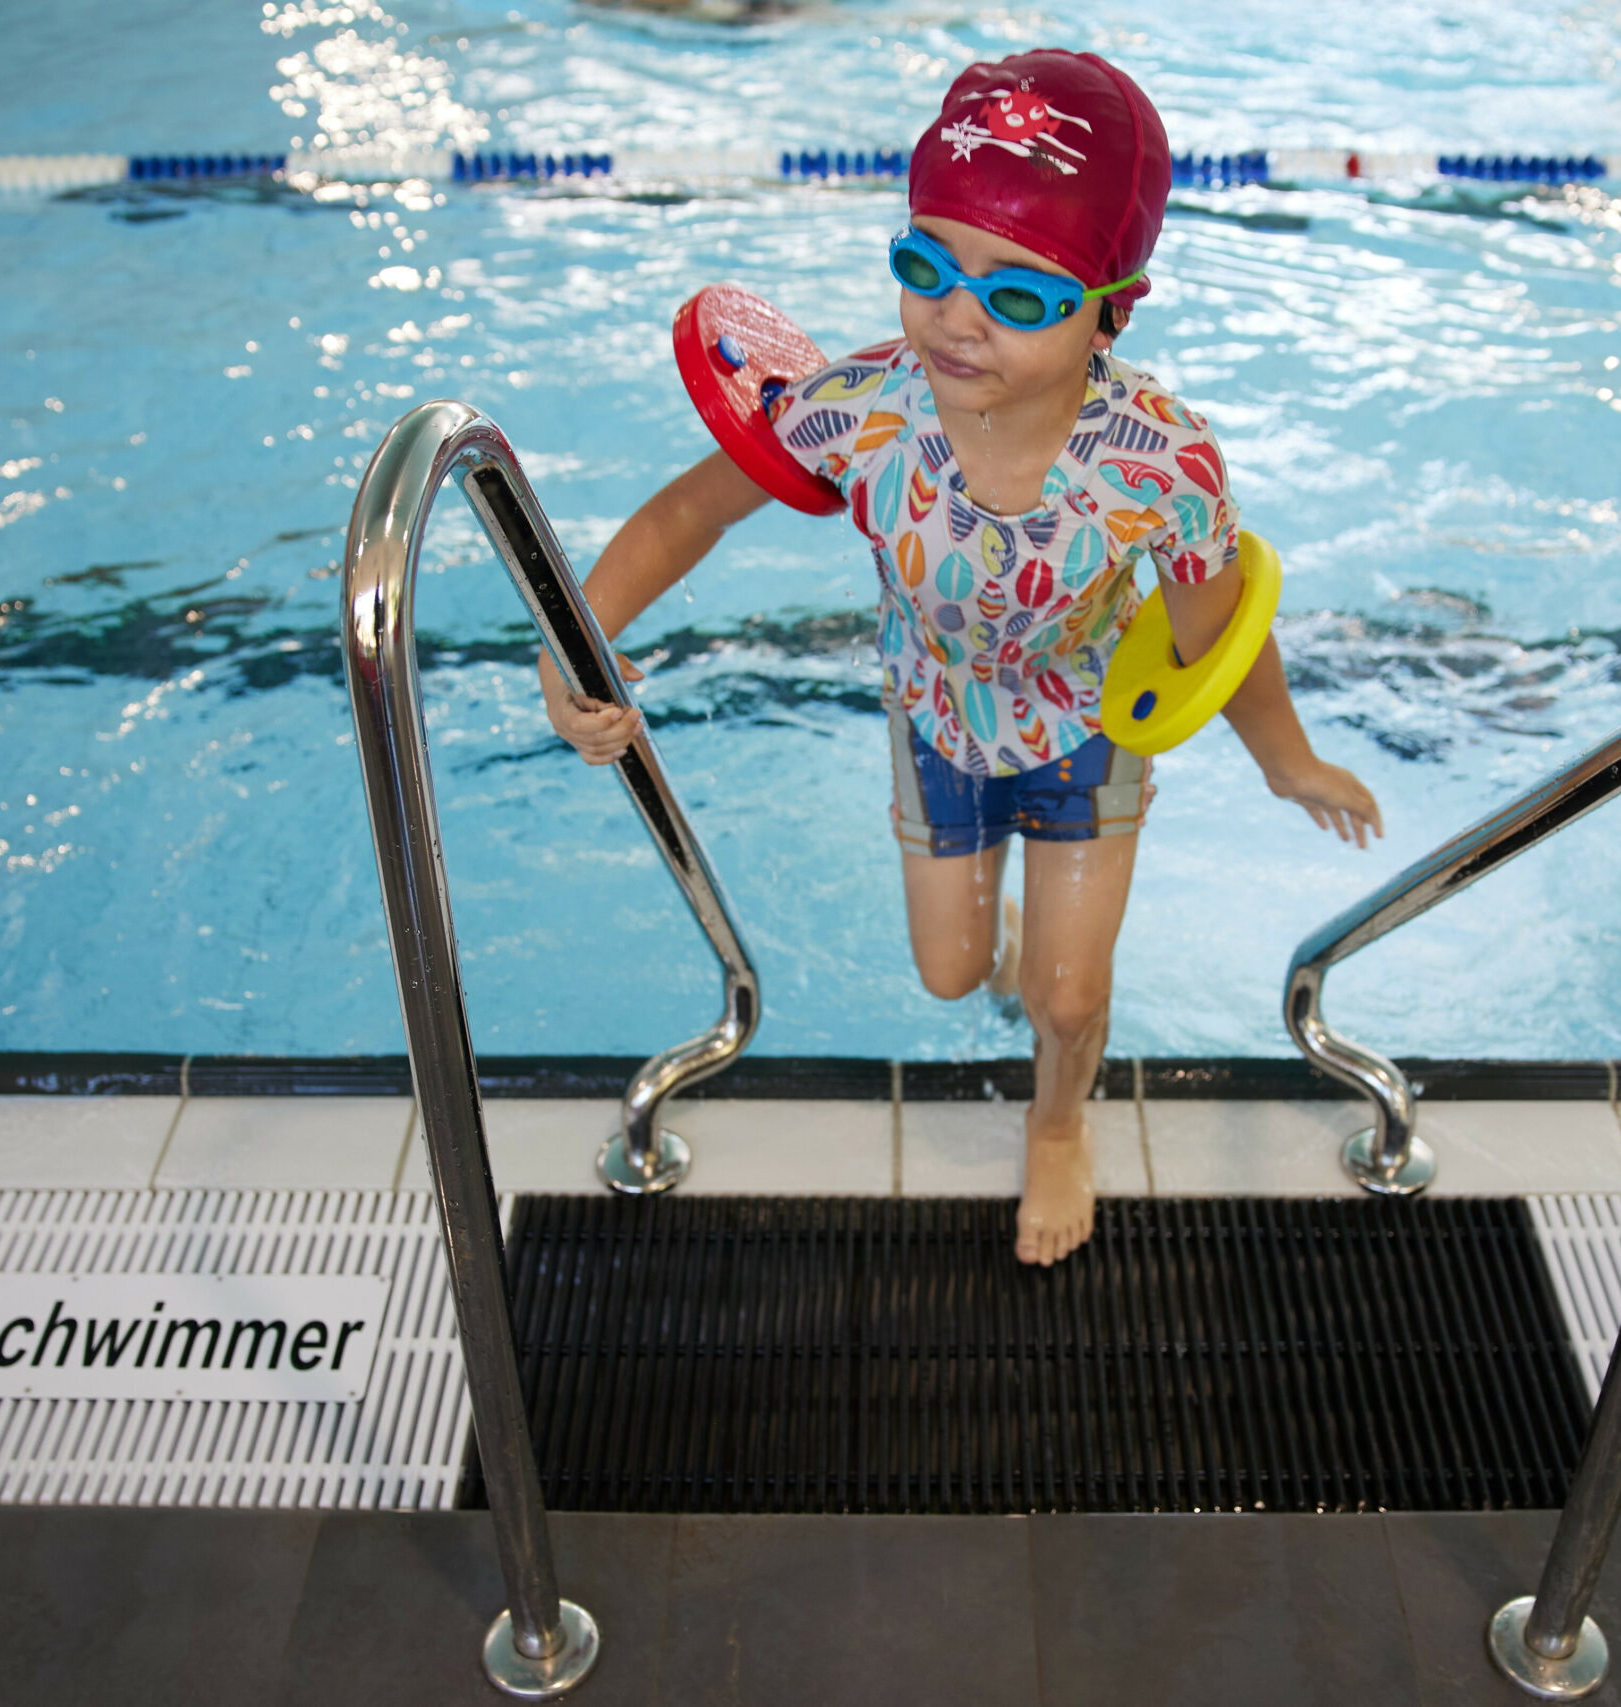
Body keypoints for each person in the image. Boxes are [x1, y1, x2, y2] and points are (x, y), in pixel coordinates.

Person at [541, 50, 1381, 1265]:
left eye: (1018, 295)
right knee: (951, 976)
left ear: (1111, 306)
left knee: (1067, 996)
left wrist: (1286, 760)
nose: (956, 316)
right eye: (926, 266)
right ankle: (1020, 954)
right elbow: (691, 511)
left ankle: (1058, 1121)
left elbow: (1216, 636)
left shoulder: (1160, 462)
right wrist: (573, 644)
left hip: (1089, 731)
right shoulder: (864, 411)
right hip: (937, 722)